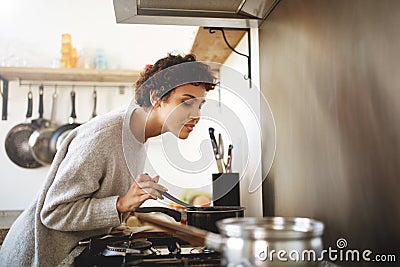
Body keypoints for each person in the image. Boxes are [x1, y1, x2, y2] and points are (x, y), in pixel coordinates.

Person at [0, 53, 216, 266]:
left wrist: (128, 202)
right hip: (36, 257)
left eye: (200, 105)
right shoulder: (105, 135)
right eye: (186, 102)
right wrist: (120, 204)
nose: (197, 114)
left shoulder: (137, 133)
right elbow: (54, 213)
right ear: (156, 98)